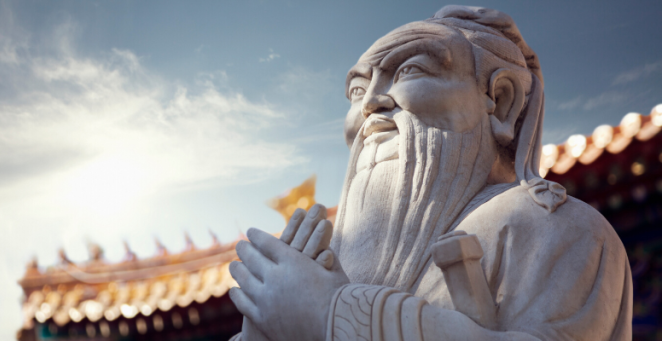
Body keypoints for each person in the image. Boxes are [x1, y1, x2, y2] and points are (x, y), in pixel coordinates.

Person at [229, 5, 632, 341]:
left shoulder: (556, 228)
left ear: (501, 101)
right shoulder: (333, 259)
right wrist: (267, 328)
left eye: (409, 72)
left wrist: (333, 313)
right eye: (356, 91)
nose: (369, 105)